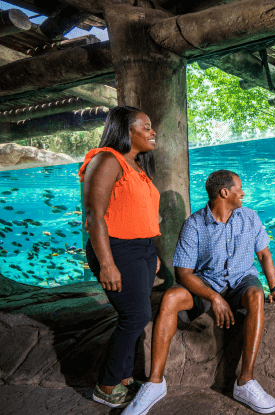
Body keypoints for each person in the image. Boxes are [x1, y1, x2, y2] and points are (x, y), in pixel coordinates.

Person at [123, 170, 275, 415]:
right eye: (239, 188)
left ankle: (245, 382)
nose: (243, 193)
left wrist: (274, 288)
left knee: (256, 295)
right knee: (170, 297)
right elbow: (184, 273)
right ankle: (154, 383)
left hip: (241, 282)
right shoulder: (194, 224)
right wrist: (214, 297)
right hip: (207, 284)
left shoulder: (250, 217)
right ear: (224, 193)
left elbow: (264, 254)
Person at [80, 106, 161, 408]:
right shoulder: (106, 159)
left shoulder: (137, 166)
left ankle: (125, 378)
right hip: (116, 249)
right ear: (127, 131)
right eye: (147, 126)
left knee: (139, 314)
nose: (153, 132)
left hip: (141, 250)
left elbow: (140, 214)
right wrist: (107, 263)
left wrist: (151, 253)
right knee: (135, 316)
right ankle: (106, 385)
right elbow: (95, 215)